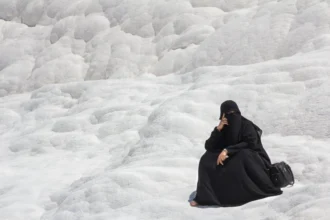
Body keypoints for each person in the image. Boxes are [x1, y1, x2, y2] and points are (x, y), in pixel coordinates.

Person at [190, 100, 282, 207]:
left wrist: (227, 150)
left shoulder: (246, 125)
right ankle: (205, 197)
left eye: (234, 113)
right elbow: (209, 146)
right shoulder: (224, 128)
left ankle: (243, 195)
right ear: (222, 116)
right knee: (206, 159)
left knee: (242, 155)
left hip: (255, 160)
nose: (232, 116)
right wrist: (218, 130)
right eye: (228, 114)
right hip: (233, 154)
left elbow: (250, 143)